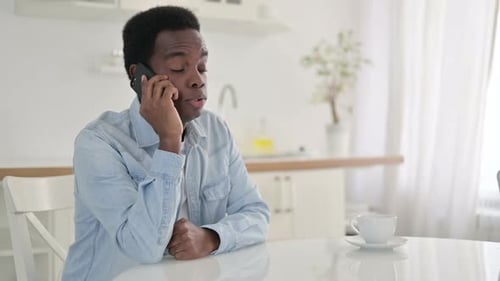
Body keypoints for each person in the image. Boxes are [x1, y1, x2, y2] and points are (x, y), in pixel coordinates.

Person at [62, 6, 270, 281]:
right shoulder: (99, 144)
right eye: (178, 68)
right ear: (140, 77)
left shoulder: (216, 130)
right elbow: (144, 247)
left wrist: (210, 237)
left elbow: (257, 214)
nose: (198, 79)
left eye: (202, 66)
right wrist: (170, 141)